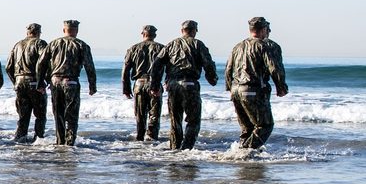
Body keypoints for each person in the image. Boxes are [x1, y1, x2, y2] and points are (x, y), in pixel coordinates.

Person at [153, 20, 218, 150]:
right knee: (193, 120)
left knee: (175, 120)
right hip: (190, 85)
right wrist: (212, 79)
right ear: (194, 31)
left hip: (172, 85)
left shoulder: (171, 45)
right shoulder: (198, 44)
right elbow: (208, 64)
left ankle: (175, 149)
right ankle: (186, 149)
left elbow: (157, 64)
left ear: (182, 30)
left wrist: (154, 85)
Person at [225, 16, 288, 149]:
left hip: (236, 90)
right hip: (252, 90)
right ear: (264, 29)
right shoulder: (263, 46)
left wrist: (230, 88)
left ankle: (243, 154)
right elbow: (274, 68)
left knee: (247, 128)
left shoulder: (238, 46)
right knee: (265, 126)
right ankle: (244, 152)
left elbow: (228, 69)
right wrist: (281, 86)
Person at [38, 20, 97, 146]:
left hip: (55, 82)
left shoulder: (53, 44)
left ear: (64, 30)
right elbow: (89, 66)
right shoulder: (81, 45)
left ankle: (60, 142)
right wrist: (92, 85)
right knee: (71, 116)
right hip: (71, 83)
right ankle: (69, 144)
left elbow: (41, 64)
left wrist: (40, 83)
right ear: (76, 31)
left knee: (58, 114)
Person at [121, 25, 165, 142]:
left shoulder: (133, 48)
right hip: (155, 84)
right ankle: (152, 139)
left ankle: (139, 139)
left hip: (139, 84)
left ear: (143, 34)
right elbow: (170, 68)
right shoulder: (161, 48)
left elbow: (125, 70)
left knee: (140, 115)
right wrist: (167, 81)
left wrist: (126, 89)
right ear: (155, 35)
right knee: (154, 115)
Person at [5, 23, 49, 142]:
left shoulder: (17, 45)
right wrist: (44, 80)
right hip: (34, 81)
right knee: (40, 115)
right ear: (38, 33)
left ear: (27, 33)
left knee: (23, 115)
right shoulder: (40, 43)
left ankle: (19, 139)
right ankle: (38, 140)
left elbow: (8, 67)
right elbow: (44, 61)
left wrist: (15, 81)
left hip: (19, 82)